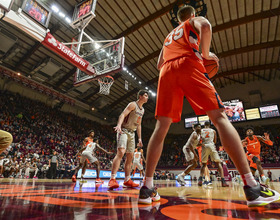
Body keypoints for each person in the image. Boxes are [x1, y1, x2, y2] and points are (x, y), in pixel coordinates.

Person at [138, 5, 279, 207]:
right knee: (220, 118)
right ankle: (252, 187)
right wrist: (204, 55)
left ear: (178, 19)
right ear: (192, 15)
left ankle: (146, 188)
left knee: (161, 127)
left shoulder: (169, 36)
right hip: (188, 63)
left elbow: (159, 63)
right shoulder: (192, 22)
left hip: (167, 72)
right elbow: (205, 25)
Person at [108, 90, 149, 189]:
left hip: (132, 133)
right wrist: (118, 125)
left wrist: (139, 138)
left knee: (130, 156)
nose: (147, 97)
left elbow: (139, 124)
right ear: (140, 96)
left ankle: (127, 180)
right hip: (124, 130)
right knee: (121, 152)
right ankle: (112, 179)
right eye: (145, 95)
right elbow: (122, 114)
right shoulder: (132, 105)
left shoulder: (142, 110)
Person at [198, 121, 229, 187]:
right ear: (209, 125)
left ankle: (200, 179)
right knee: (218, 163)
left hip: (204, 146)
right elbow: (215, 141)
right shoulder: (213, 131)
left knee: (203, 164)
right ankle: (223, 181)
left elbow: (198, 140)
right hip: (211, 146)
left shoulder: (201, 131)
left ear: (204, 125)